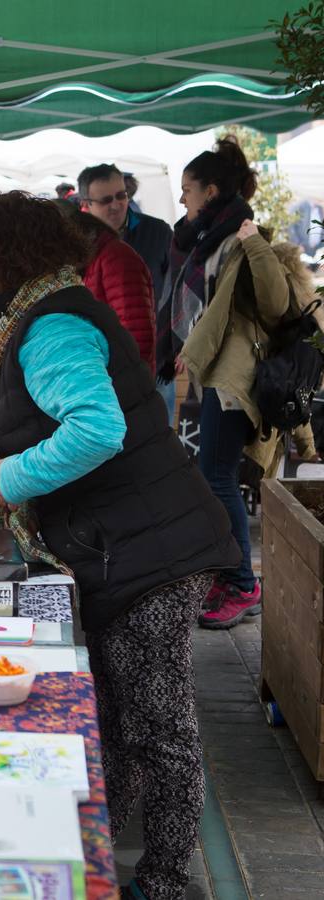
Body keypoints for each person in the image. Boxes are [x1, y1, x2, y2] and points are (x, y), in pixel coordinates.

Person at [0, 190, 238, 900]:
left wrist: (7, 475)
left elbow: (96, 430)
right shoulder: (39, 313)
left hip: (149, 550)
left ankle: (168, 877)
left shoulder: (51, 326)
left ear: (0, 259)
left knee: (159, 726)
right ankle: (104, 844)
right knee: (120, 710)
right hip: (126, 542)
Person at [160, 137, 295, 630]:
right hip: (215, 374)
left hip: (234, 379)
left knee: (217, 476)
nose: (182, 201)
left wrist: (255, 242)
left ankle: (242, 583)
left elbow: (277, 306)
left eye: (188, 190)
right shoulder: (208, 237)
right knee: (211, 475)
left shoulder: (241, 237)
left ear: (212, 190)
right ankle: (229, 575)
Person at [79, 163, 173, 417]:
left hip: (157, 358)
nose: (116, 204)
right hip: (102, 371)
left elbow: (175, 292)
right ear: (86, 204)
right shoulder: (78, 244)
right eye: (106, 199)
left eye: (121, 195)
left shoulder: (158, 232)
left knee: (155, 438)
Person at [56, 202, 155, 373]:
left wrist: (130, 381)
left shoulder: (115, 257)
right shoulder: (87, 260)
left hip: (121, 380)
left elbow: (136, 329)